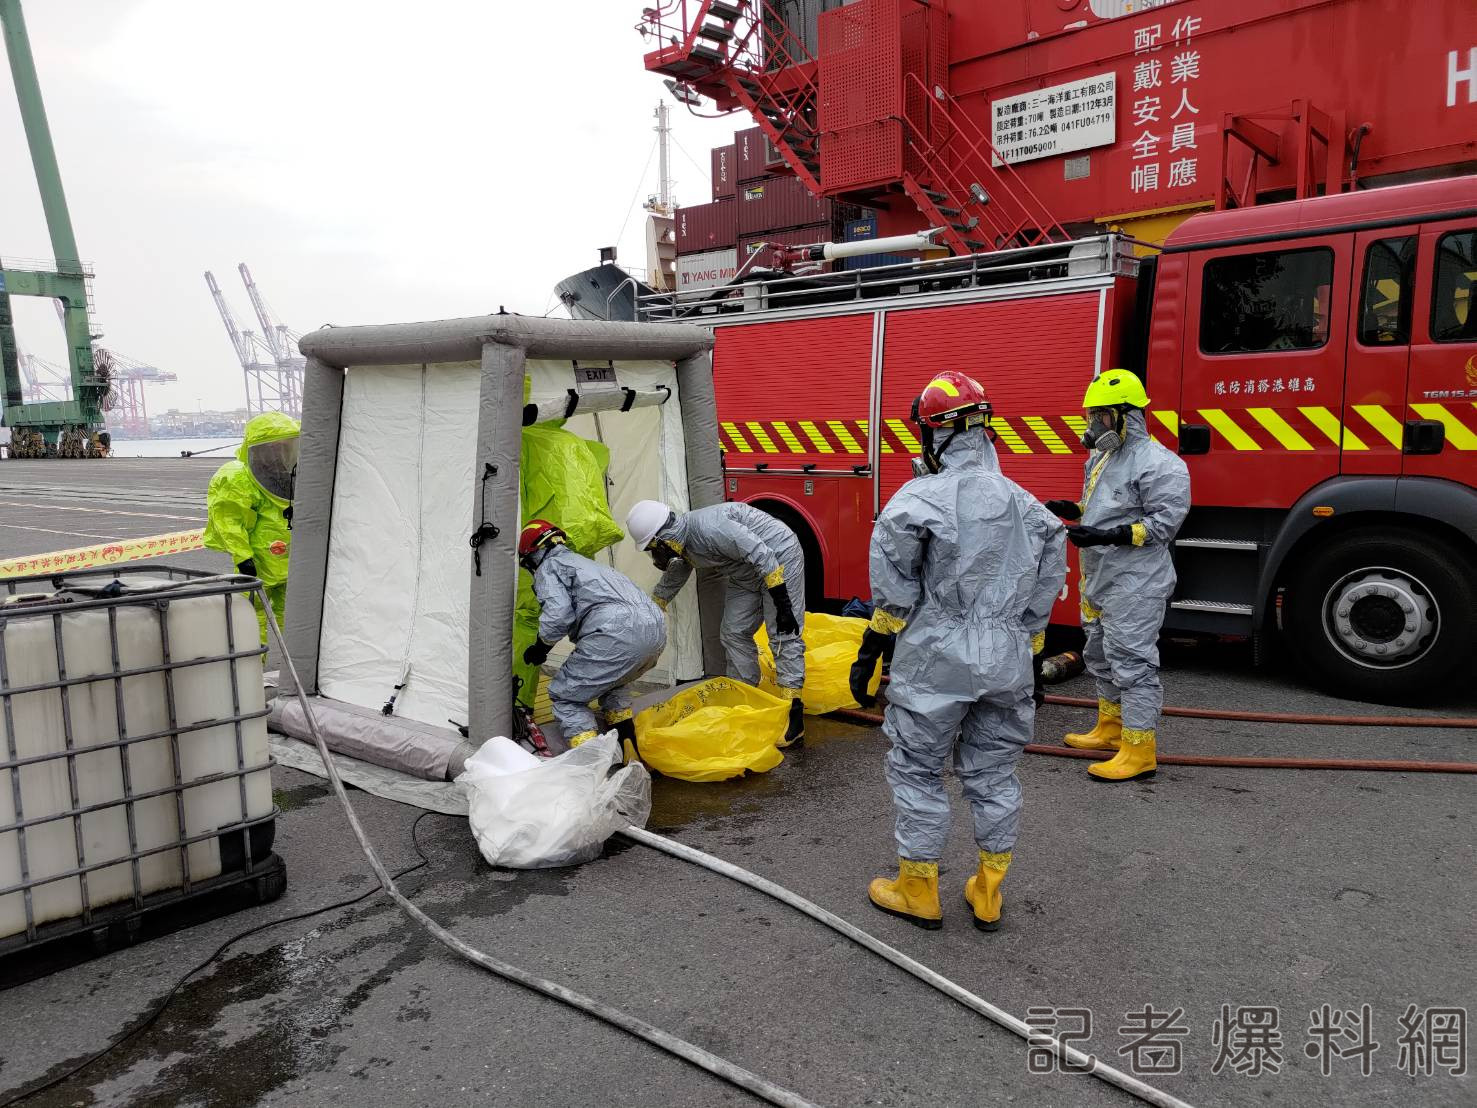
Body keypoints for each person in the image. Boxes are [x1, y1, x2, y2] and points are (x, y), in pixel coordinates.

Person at [848, 371, 1065, 931]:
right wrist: (1033, 653)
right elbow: (1045, 589)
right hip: (1008, 656)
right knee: (994, 775)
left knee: (918, 770)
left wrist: (875, 643)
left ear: (936, 432)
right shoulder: (1029, 507)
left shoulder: (918, 498)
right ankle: (988, 889)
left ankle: (918, 889)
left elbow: (894, 585)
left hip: (936, 656)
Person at [1044, 368, 1190, 782]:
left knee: (1133, 662)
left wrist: (1109, 534)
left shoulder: (1162, 465)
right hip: (1099, 577)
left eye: (1101, 416)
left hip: (1136, 583)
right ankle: (1109, 729)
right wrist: (1073, 510)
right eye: (1091, 416)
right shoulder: (1103, 457)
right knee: (1099, 654)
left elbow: (1164, 525)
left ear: (1127, 414)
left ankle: (1140, 749)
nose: (1093, 426)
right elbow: (1105, 508)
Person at [625, 499, 807, 746]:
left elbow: (760, 552)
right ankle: (745, 698)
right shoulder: (683, 543)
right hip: (745, 573)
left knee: (782, 635)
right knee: (733, 632)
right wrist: (654, 607)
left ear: (663, 537)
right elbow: (678, 570)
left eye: (653, 547)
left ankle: (793, 714)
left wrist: (782, 601)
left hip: (778, 556)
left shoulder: (711, 529)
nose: (655, 554)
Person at [519, 519, 667, 759]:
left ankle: (594, 766)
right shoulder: (587, 565)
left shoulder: (550, 566)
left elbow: (558, 615)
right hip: (655, 631)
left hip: (618, 633)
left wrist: (541, 646)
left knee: (565, 695)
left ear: (533, 554)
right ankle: (632, 755)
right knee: (614, 687)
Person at [202, 412, 300, 644]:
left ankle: (298, 665)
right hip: (258, 560)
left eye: (285, 446)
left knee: (294, 615)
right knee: (253, 616)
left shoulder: (290, 473)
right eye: (273, 447)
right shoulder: (239, 478)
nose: (278, 452)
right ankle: (253, 670)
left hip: (290, 558)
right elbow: (229, 522)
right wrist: (244, 557)